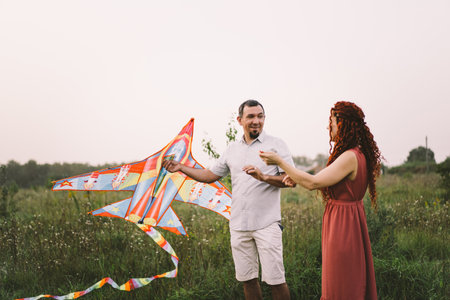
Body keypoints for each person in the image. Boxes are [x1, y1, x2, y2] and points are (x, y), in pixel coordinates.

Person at [163, 100, 294, 300]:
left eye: (260, 116)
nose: (256, 121)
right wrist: (181, 168)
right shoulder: (232, 149)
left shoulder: (276, 145)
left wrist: (264, 177)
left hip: (267, 224)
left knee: (276, 280)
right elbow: (209, 175)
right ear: (240, 120)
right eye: (251, 117)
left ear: (264, 118)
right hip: (239, 226)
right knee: (248, 280)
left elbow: (291, 180)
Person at [260, 101, 380, 300]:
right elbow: (319, 178)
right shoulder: (356, 154)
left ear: (343, 124)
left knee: (342, 284)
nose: (328, 126)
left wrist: (280, 162)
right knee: (346, 280)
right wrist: (295, 175)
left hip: (343, 227)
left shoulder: (350, 157)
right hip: (346, 222)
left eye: (331, 121)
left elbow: (313, 182)